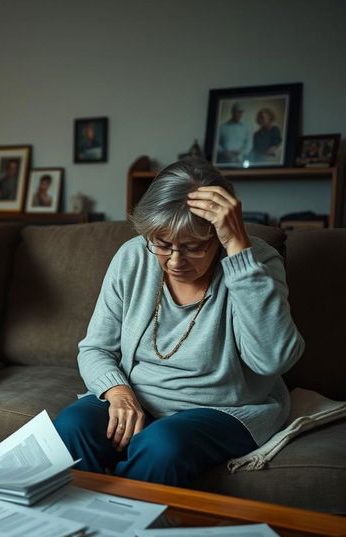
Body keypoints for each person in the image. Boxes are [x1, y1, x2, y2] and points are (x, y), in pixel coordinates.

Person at [54, 158, 304, 487]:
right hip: (138, 396)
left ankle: (124, 531)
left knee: (162, 445)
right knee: (72, 424)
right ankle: (80, 528)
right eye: (162, 244)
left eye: (193, 247)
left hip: (223, 410)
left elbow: (274, 359)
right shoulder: (133, 256)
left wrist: (238, 252)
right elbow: (95, 347)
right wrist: (118, 393)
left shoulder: (255, 262)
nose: (174, 261)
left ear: (218, 236)